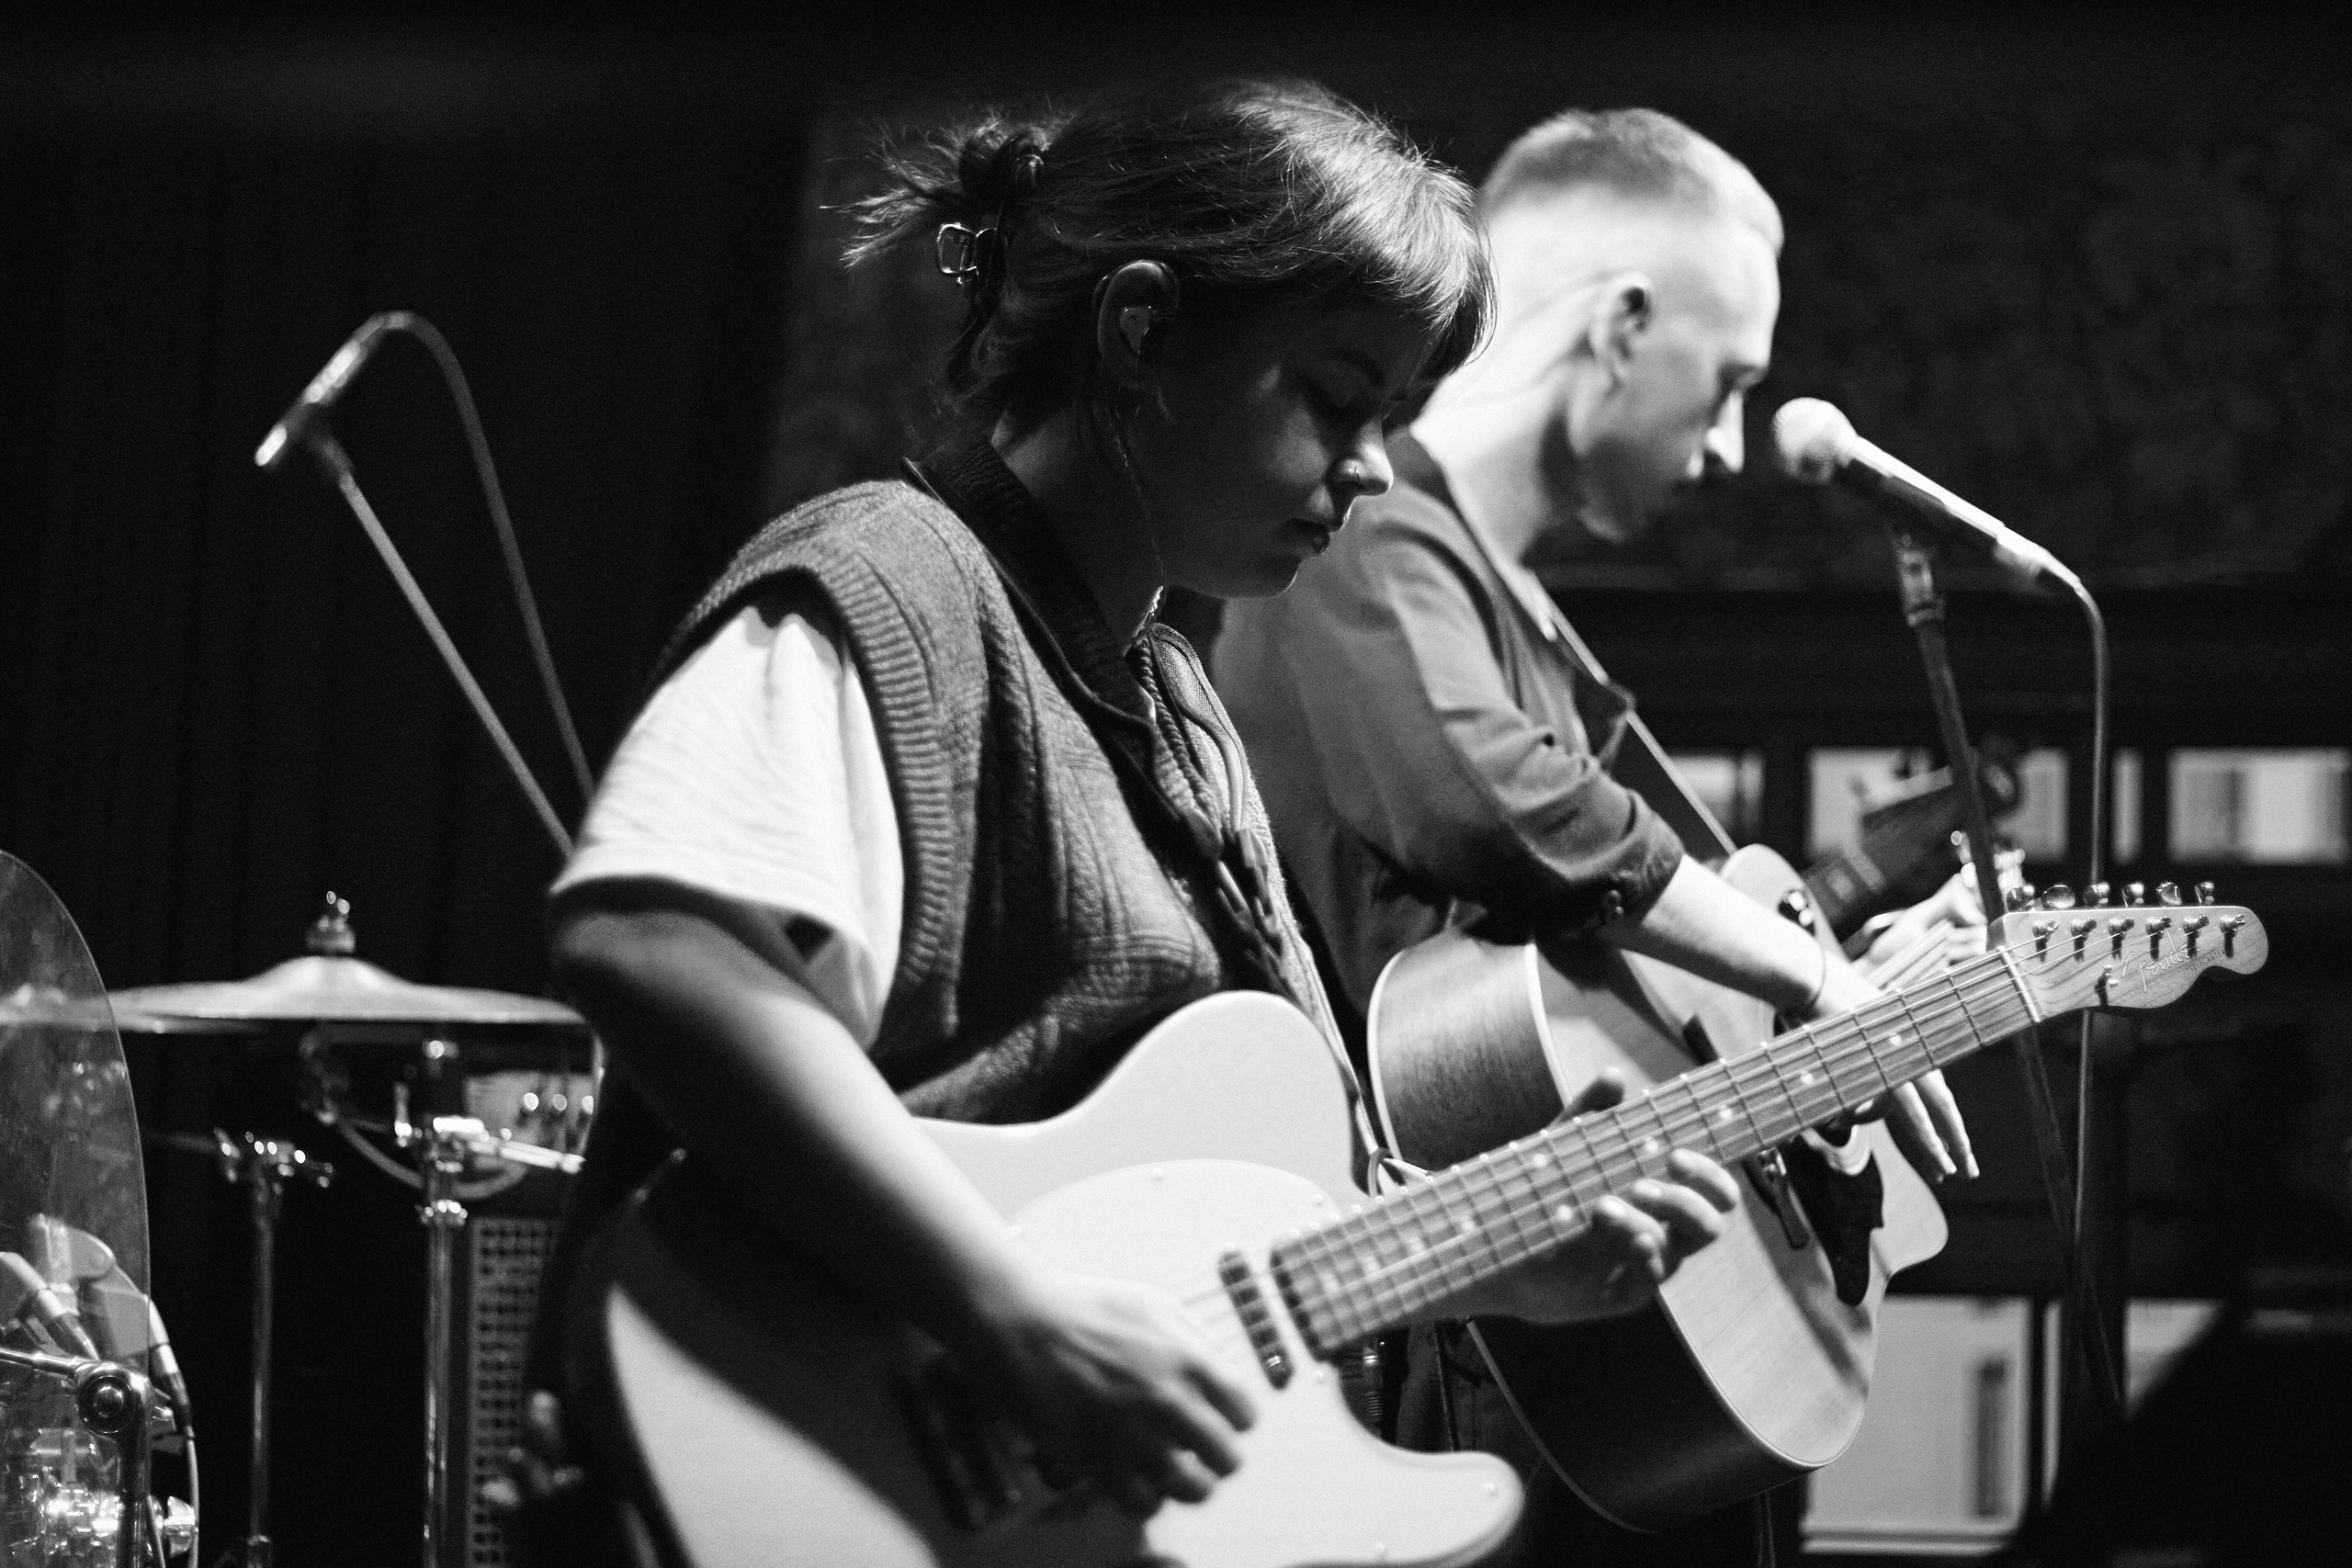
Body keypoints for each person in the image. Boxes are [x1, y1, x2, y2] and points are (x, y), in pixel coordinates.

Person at [526, 82, 1745, 1560]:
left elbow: (1196, 1219)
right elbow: (653, 941)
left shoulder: (1176, 704)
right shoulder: (895, 578)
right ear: (1142, 329)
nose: (1372, 466)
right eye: (1336, 396)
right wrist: (1016, 1318)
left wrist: (1487, 1259)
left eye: (1388, 417)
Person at [1214, 107, 1980, 1564]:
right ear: (1625, 325)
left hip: (1594, 1326)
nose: (1732, 444)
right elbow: (1497, 811)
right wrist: (1816, 980)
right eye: (1730, 381)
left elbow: (1609, 973)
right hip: (1463, 1357)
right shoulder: (1366, 537)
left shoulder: (1518, 614)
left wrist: (1855, 976)